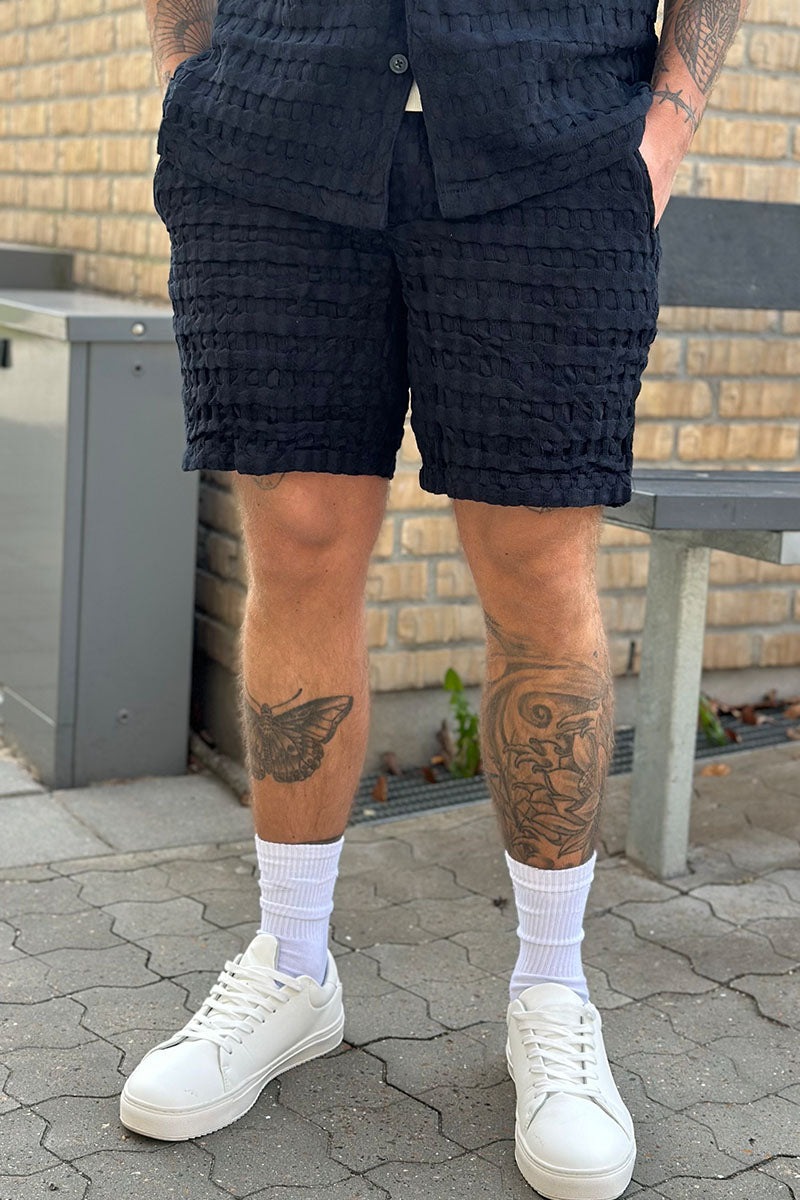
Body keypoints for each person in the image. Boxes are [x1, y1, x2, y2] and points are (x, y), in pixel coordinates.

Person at [120, 0, 747, 1194]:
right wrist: (190, 76)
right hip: (268, 134)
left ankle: (550, 989)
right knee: (296, 545)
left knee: (534, 564)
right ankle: (290, 966)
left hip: (553, 142)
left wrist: (667, 116)